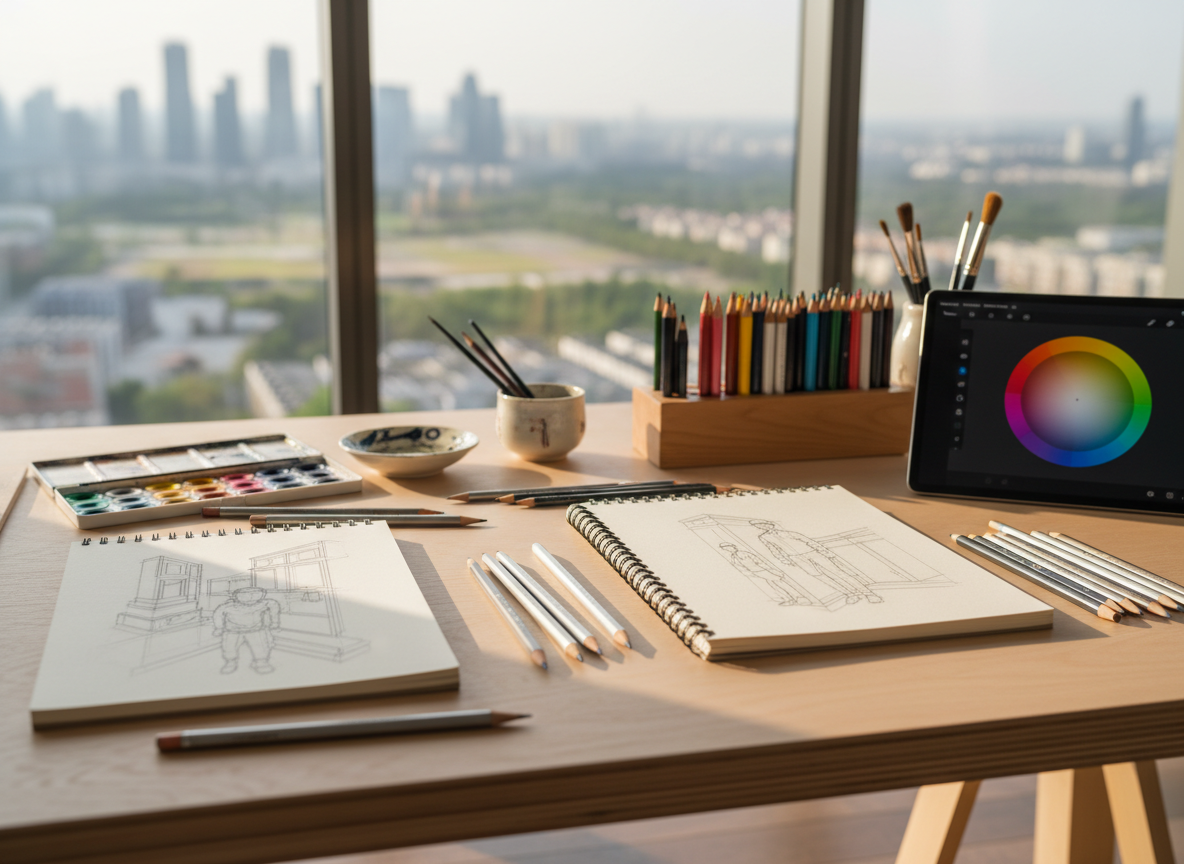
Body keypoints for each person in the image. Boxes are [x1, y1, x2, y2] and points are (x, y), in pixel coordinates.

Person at [211, 586, 282, 674]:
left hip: (255, 629)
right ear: (236, 596)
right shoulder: (228, 606)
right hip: (233, 631)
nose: (250, 597)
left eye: (254, 594)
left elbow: (274, 605)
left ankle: (261, 662)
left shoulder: (262, 604)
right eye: (245, 594)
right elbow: (217, 614)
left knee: (261, 646)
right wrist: (219, 627)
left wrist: (274, 622)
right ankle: (230, 662)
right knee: (230, 647)